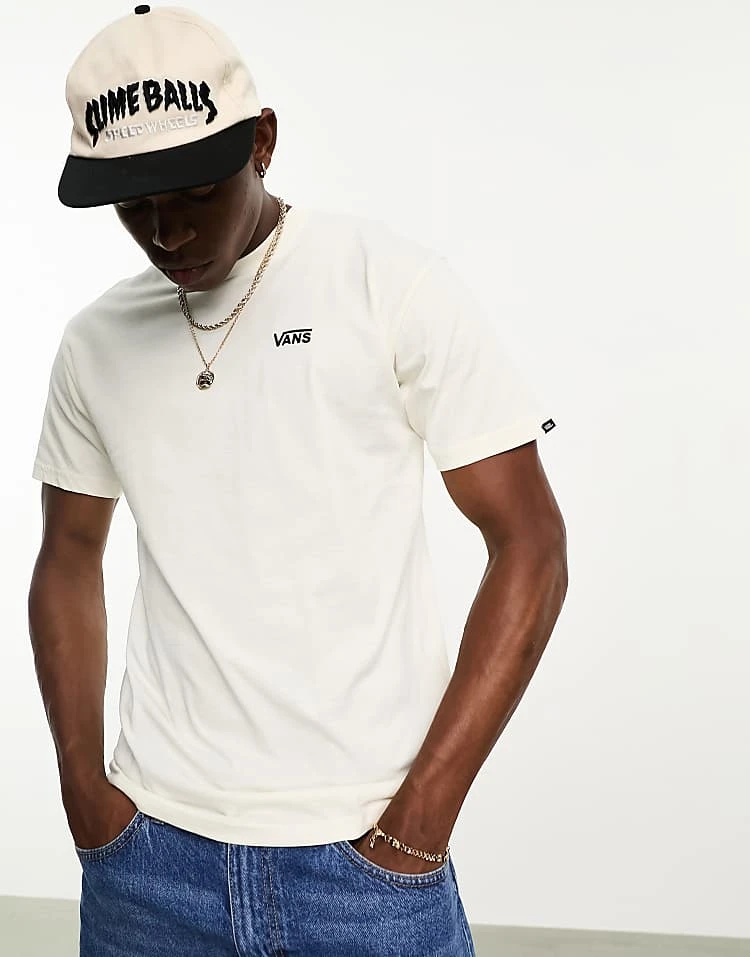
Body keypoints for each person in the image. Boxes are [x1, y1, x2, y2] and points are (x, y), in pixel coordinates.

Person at [28, 5, 568, 955]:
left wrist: (421, 818)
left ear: (262, 142)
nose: (166, 230)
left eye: (193, 192)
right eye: (134, 204)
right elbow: (69, 556)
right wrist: (82, 785)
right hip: (147, 860)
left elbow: (530, 544)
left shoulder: (388, 284)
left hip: (366, 863)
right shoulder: (95, 344)